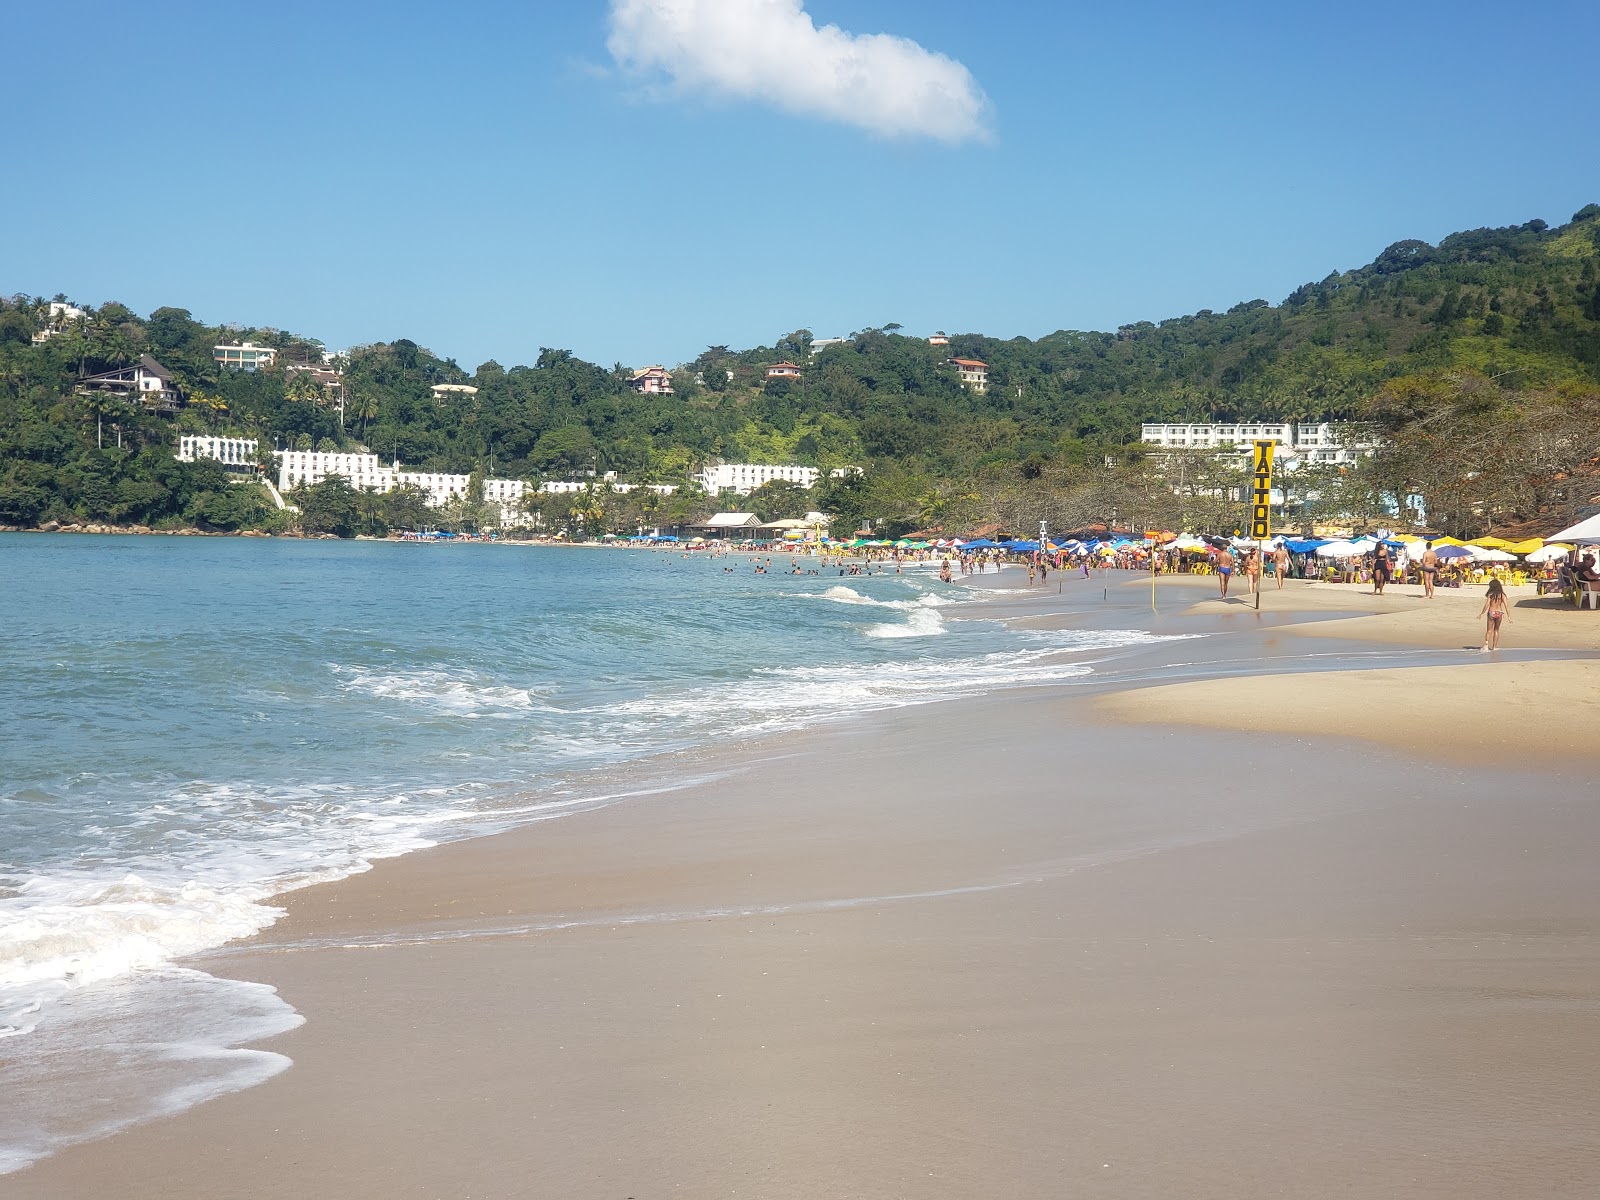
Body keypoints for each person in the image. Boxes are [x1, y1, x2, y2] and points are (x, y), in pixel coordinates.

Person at [1479, 579, 1511, 650]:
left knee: (1489, 630)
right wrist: (1509, 617)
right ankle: (1494, 647)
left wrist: (1482, 613)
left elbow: (1487, 605)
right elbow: (1506, 606)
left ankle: (1486, 644)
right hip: (1499, 613)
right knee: (1496, 630)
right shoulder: (1502, 595)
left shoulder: (1491, 594)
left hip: (1491, 612)